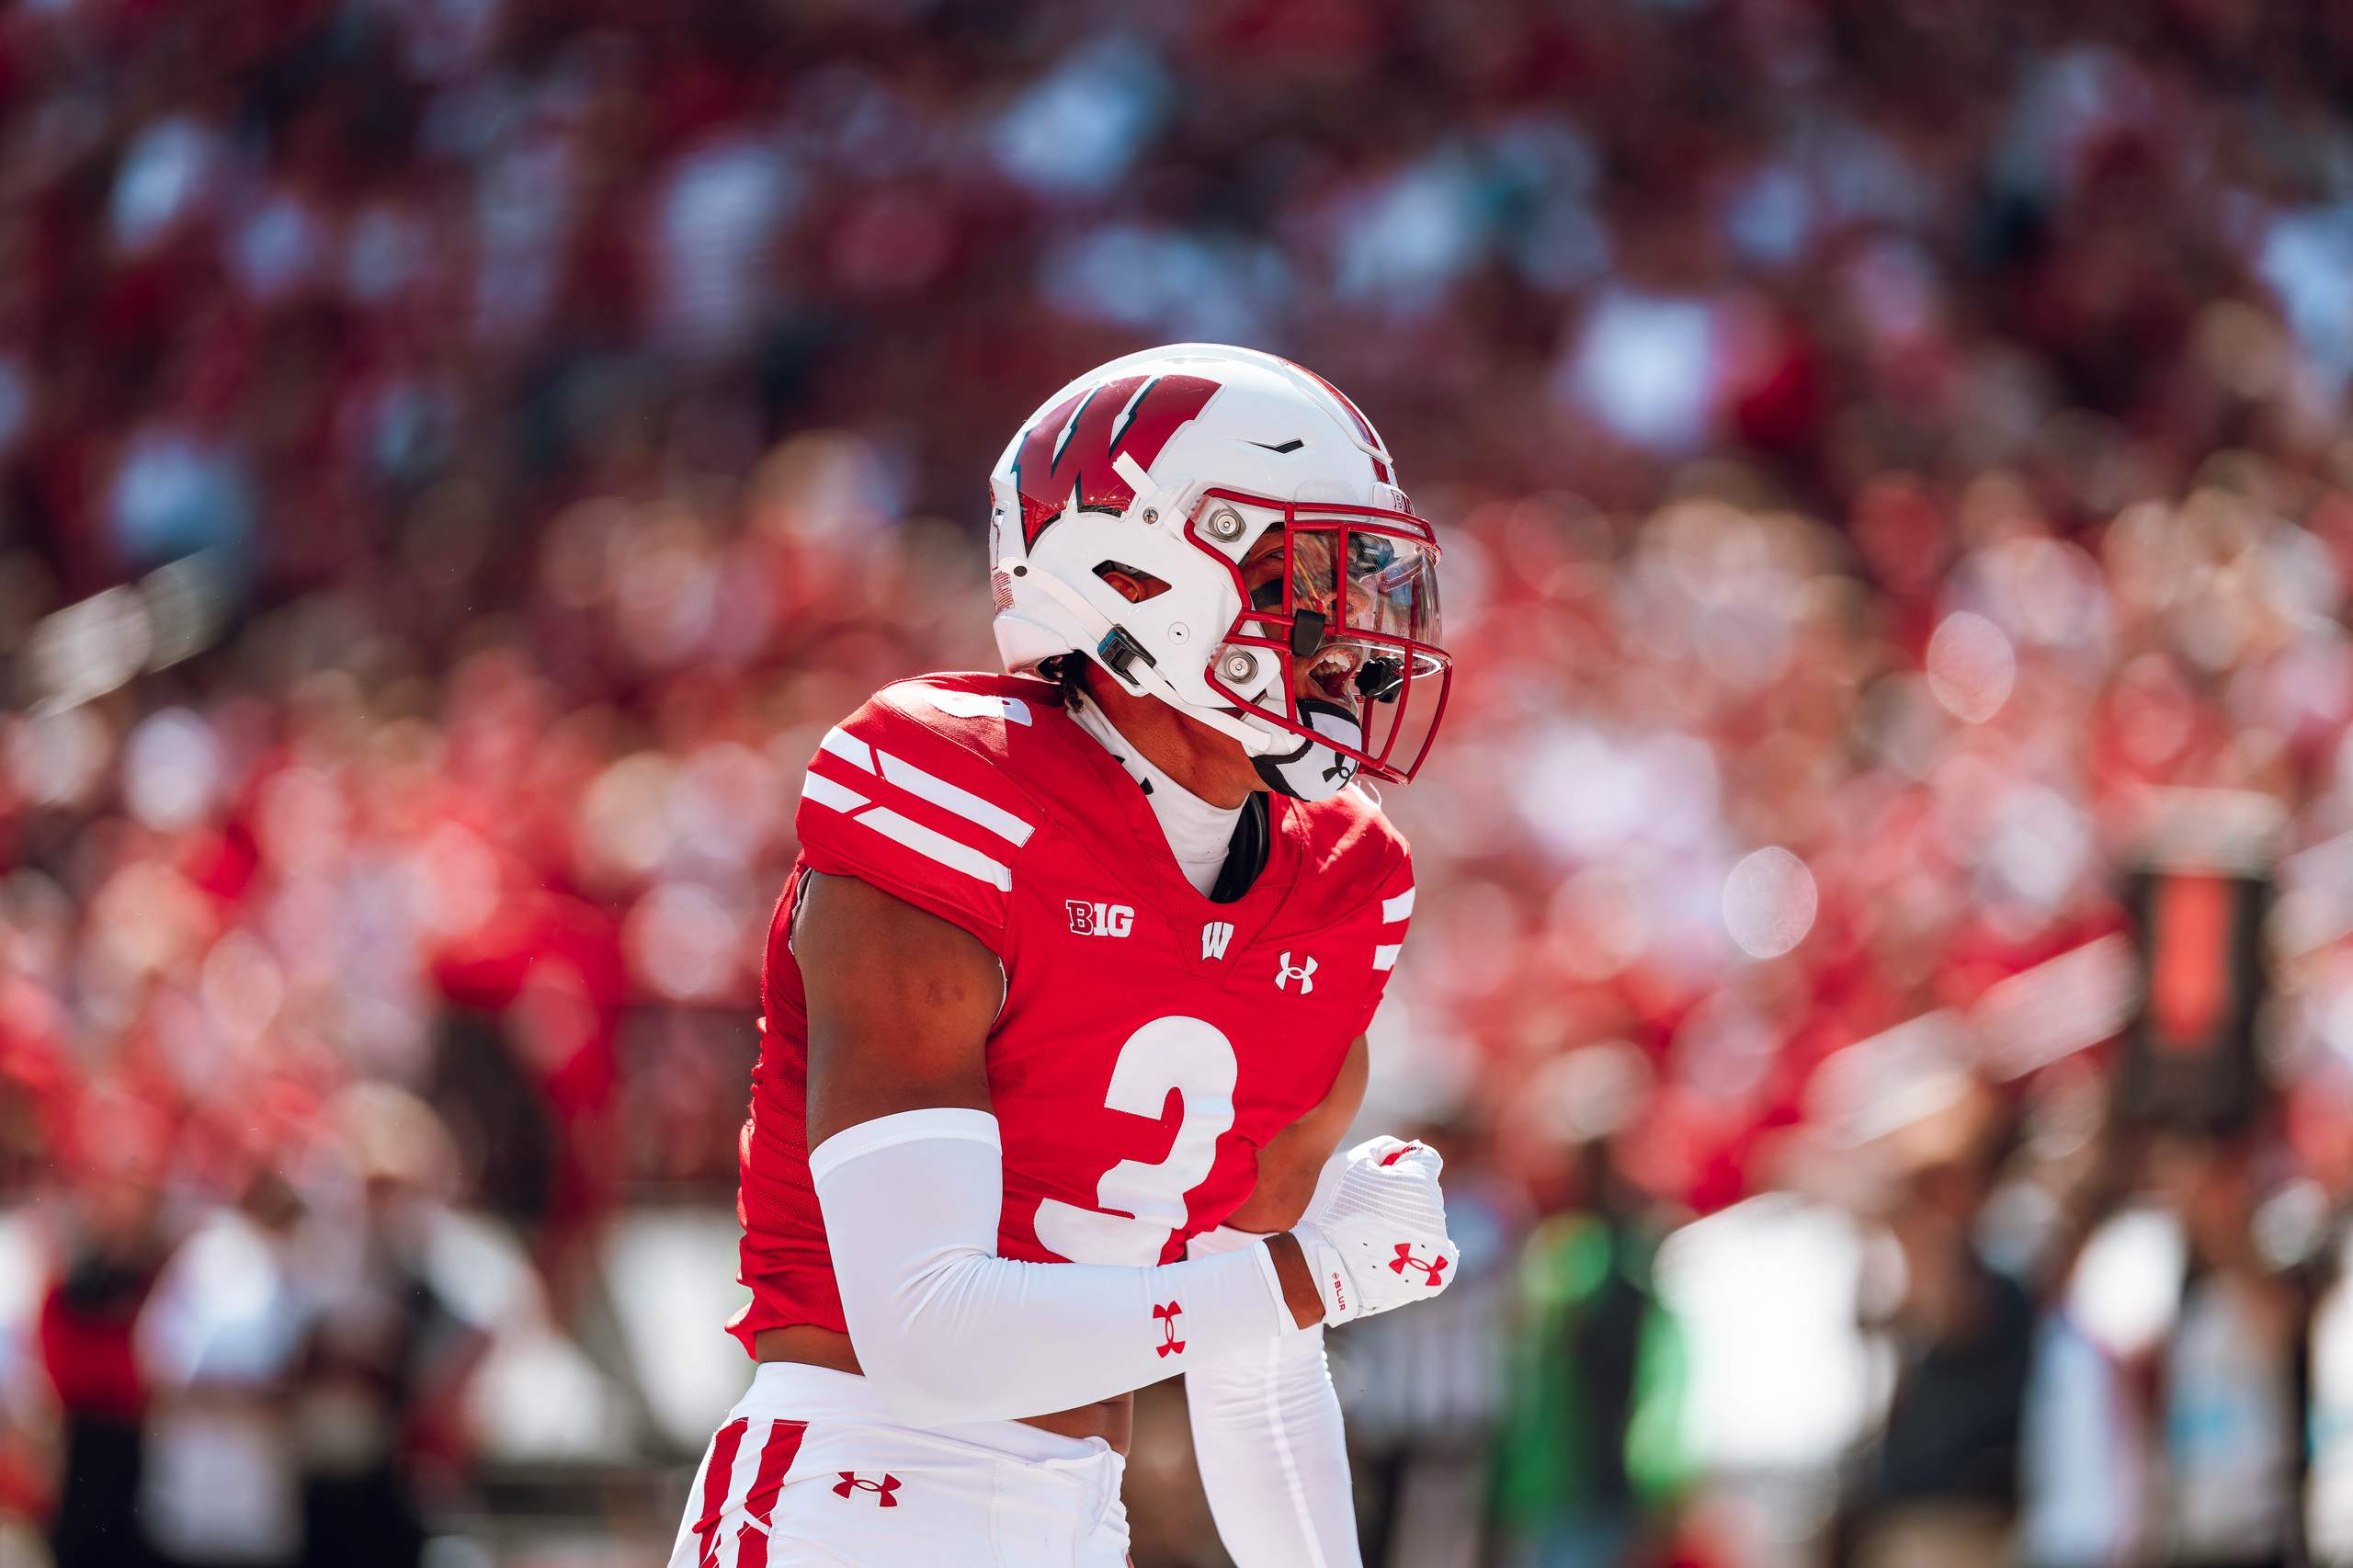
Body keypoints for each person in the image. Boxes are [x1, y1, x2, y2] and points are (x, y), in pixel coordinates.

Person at [669, 344, 1462, 1568]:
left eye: (1359, 573)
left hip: (1076, 1518)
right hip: (851, 1495)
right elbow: (927, 1330)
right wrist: (1316, 1274)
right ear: (1138, 570)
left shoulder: (1340, 883)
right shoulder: (950, 793)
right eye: (1300, 572)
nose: (1350, 635)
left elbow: (1253, 1363)